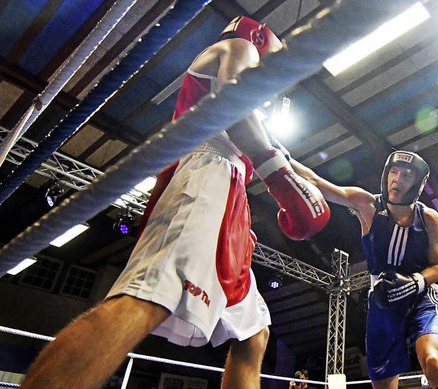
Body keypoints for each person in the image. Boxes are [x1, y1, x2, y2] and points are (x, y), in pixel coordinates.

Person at [21, 16, 329, 389]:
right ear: (262, 40)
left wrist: (343, 198)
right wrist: (279, 178)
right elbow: (236, 106)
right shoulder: (242, 48)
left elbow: (285, 159)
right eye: (277, 61)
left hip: (229, 194)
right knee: (147, 298)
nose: (277, 81)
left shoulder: (253, 109)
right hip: (206, 179)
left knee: (252, 335)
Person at [290, 151, 438, 389]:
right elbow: (317, 182)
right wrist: (278, 156)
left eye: (406, 175)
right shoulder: (367, 205)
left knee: (432, 360)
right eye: (393, 172)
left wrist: (414, 282)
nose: (397, 179)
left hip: (420, 298)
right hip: (382, 303)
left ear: (418, 184)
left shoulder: (429, 218)